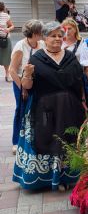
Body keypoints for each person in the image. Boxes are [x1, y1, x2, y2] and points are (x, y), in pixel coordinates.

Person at [14, 21, 86, 191]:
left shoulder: (70, 57)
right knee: (47, 142)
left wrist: (83, 102)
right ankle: (45, 180)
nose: (57, 39)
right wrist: (28, 75)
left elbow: (78, 83)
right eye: (53, 36)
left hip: (69, 109)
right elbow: (27, 87)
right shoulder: (36, 58)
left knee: (68, 141)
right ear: (45, 38)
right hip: (45, 110)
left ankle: (67, 178)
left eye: (60, 36)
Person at [9, 19, 45, 154]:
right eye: (40, 31)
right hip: (20, 81)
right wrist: (22, 88)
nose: (42, 34)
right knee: (21, 110)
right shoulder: (20, 46)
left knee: (36, 109)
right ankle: (16, 142)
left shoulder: (41, 44)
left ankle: (33, 139)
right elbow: (12, 70)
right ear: (34, 33)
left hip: (37, 82)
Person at [0, 2, 14, 81]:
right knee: (6, 58)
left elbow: (12, 25)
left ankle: (7, 75)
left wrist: (8, 29)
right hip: (5, 38)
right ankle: (7, 75)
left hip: (5, 39)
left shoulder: (6, 16)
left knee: (6, 58)